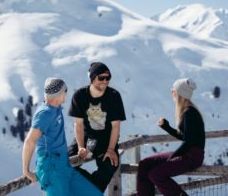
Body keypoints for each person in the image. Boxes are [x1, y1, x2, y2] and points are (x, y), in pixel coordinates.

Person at [22, 78, 102, 196]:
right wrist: (26, 171)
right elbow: (29, 141)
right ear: (58, 94)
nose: (66, 93)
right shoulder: (44, 114)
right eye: (65, 90)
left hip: (64, 165)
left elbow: (49, 84)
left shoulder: (55, 108)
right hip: (52, 167)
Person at [137, 78, 205, 196]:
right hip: (188, 154)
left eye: (173, 90)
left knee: (155, 174)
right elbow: (186, 137)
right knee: (144, 164)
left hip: (192, 157)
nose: (171, 92)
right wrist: (166, 127)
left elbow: (188, 142)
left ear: (179, 93)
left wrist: (173, 157)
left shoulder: (189, 113)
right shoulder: (188, 112)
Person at [67, 62, 126, 192]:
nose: (105, 81)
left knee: (111, 165)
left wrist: (111, 149)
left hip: (106, 139)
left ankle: (90, 190)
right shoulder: (79, 96)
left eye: (108, 78)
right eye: (101, 78)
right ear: (92, 78)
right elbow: (78, 124)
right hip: (86, 136)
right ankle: (91, 190)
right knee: (66, 164)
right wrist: (81, 146)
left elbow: (116, 126)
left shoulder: (114, 96)